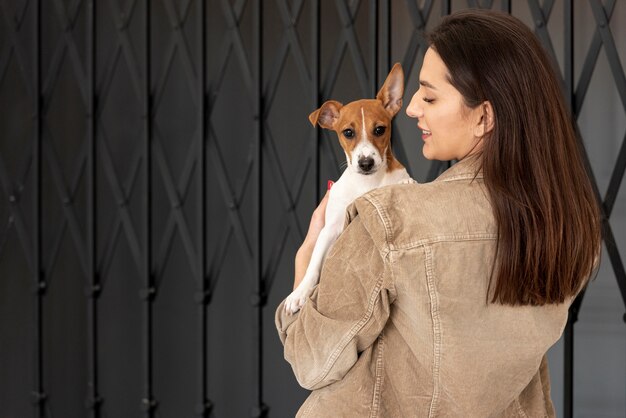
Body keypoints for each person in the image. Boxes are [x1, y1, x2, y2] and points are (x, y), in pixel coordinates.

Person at [275, 9, 601, 418]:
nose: (410, 109)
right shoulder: (567, 226)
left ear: (484, 116)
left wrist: (305, 261)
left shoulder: (391, 220)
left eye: (428, 96)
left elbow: (311, 362)